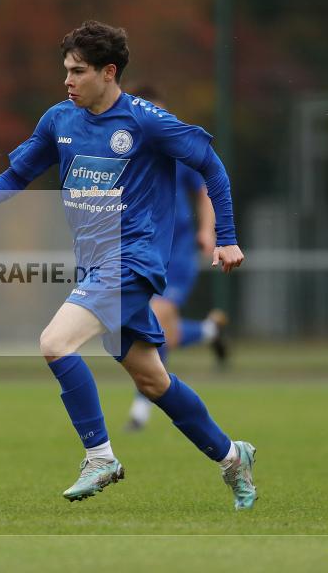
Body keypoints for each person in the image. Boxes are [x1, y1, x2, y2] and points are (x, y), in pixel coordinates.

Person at [0, 21, 256, 509]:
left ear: (109, 73)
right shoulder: (58, 121)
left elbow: (209, 164)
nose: (67, 80)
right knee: (154, 381)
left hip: (133, 262)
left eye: (78, 71)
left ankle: (100, 456)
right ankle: (233, 457)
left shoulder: (145, 121)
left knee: (54, 341)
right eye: (66, 70)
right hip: (95, 267)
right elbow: (18, 172)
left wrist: (227, 238)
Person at [122, 84, 230, 432]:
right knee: (160, 332)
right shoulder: (123, 149)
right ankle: (209, 330)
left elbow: (205, 188)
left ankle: (142, 406)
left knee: (155, 319)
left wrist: (208, 231)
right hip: (140, 250)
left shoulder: (172, 145)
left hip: (178, 250)